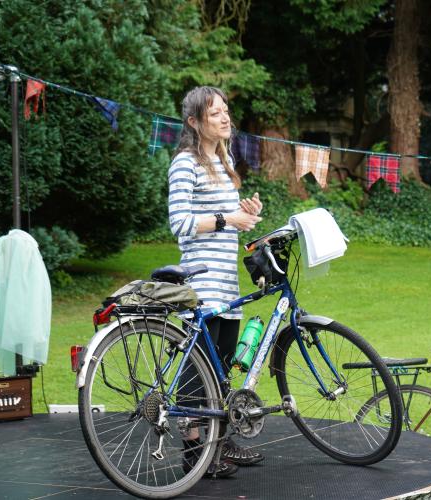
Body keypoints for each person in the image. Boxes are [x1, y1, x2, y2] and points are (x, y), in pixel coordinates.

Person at [168, 86, 264, 477]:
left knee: (221, 371)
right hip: (202, 282)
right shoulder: (184, 163)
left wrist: (245, 211)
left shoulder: (223, 161)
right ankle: (196, 458)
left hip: (226, 283)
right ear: (194, 122)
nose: (225, 118)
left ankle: (220, 444)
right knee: (198, 375)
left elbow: (221, 217)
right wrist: (229, 220)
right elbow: (181, 223)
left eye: (226, 111)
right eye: (215, 114)